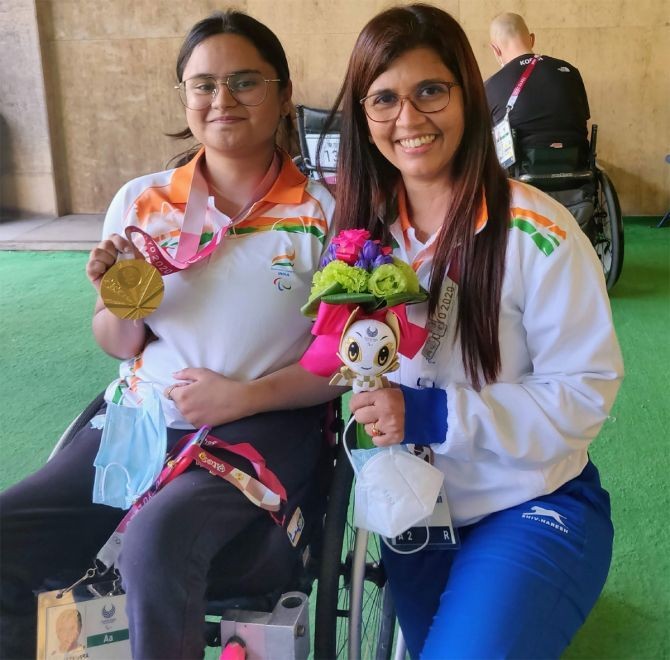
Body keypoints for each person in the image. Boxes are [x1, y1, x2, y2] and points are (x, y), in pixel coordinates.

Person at [0, 10, 338, 660]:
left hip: (262, 425)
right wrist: (117, 298)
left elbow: (343, 362)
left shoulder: (323, 211)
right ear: (184, 96)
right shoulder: (144, 201)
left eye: (246, 81)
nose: (223, 100)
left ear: (283, 94)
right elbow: (121, 342)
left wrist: (245, 398)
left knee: (160, 539)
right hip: (137, 422)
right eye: (204, 84)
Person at [324, 4, 623, 658]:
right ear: (363, 114)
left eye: (430, 90)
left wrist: (429, 413)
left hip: (532, 503)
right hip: (417, 516)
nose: (408, 119)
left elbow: (584, 393)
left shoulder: (537, 232)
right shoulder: (361, 240)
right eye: (384, 99)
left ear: (468, 90)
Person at [485, 12, 591, 162]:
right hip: (578, 173)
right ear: (532, 39)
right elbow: (582, 120)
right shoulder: (571, 72)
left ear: (495, 49)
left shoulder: (491, 87)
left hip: (520, 181)